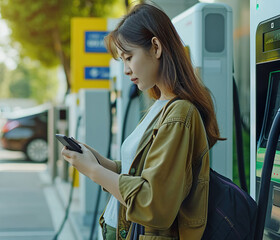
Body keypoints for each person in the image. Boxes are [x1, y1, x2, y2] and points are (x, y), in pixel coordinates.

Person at [61, 2, 223, 240]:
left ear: (156, 47)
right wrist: (97, 161)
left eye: (128, 57)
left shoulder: (179, 114)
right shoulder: (161, 106)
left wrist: (94, 171)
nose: (126, 70)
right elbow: (137, 173)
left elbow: (153, 205)